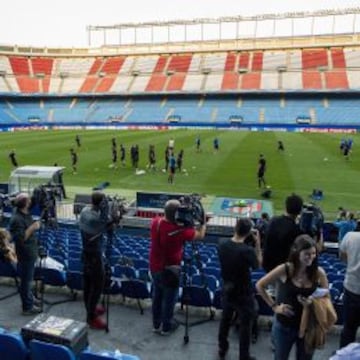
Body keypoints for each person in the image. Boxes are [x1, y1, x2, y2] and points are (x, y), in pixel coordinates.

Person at [256, 235, 329, 360]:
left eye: (313, 253)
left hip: (308, 327)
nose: (311, 257)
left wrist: (311, 304)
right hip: (284, 326)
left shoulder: (319, 273)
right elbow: (260, 285)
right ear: (296, 252)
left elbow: (326, 298)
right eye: (307, 254)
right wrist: (274, 307)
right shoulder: (285, 269)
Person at [149, 199, 206, 335]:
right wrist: (202, 222)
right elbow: (200, 235)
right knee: (169, 299)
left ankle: (156, 324)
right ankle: (166, 327)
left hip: (154, 266)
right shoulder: (179, 231)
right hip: (170, 271)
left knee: (157, 296)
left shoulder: (155, 222)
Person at [217, 218, 262, 360]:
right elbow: (257, 265)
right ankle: (244, 356)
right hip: (243, 292)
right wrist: (258, 244)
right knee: (245, 325)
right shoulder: (247, 251)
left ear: (235, 228)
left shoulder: (222, 244)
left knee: (225, 320)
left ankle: (222, 348)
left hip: (228, 288)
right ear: (249, 233)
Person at [79, 191, 109, 330]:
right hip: (94, 255)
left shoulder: (85, 210)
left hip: (86, 252)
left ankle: (89, 307)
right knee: (97, 285)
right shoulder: (95, 220)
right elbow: (103, 223)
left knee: (88, 283)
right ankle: (91, 317)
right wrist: (107, 209)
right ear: (102, 203)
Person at [9, 193, 42, 315]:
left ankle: (30, 299)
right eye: (28, 200)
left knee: (29, 280)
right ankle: (27, 307)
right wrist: (33, 227)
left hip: (30, 252)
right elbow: (21, 238)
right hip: (25, 254)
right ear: (25, 203)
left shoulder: (23, 211)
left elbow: (33, 200)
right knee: (26, 281)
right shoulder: (16, 219)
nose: (30, 202)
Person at [263, 193, 303, 273]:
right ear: (300, 211)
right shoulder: (297, 229)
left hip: (269, 268)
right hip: (284, 270)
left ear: (286, 207)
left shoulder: (273, 221)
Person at [339, 229, 360, 348]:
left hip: (351, 288)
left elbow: (342, 257)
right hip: (351, 288)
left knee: (348, 328)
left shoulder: (350, 236)